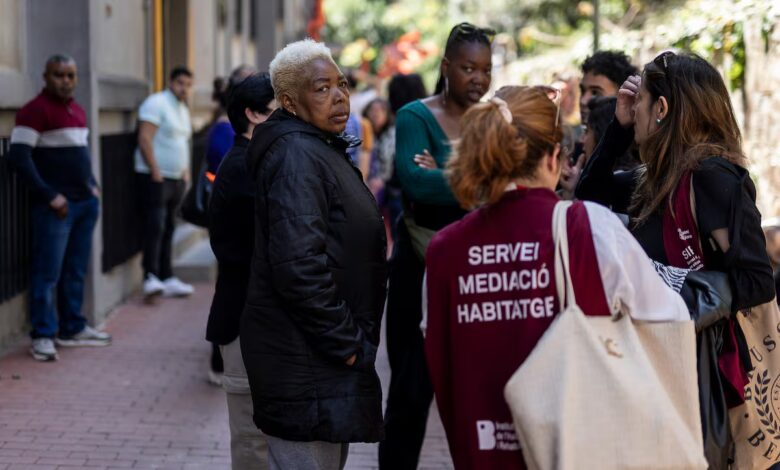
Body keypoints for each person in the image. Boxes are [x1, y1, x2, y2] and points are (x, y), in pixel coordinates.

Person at [424, 85, 691, 469]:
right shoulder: (589, 228)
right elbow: (669, 320)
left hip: (479, 452)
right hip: (578, 450)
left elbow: (441, 361)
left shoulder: (444, 251)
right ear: (553, 158)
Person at [575, 51, 775, 467]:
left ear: (662, 108)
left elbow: (757, 280)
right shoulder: (656, 179)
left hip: (709, 371)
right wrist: (619, 128)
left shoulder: (712, 179)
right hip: (667, 361)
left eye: (642, 101)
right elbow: (588, 197)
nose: (636, 109)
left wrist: (673, 287)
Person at [240, 39, 386, 470]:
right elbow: (298, 267)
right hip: (306, 362)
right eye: (321, 89)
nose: (339, 96)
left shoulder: (317, 146)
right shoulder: (297, 155)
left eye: (340, 84)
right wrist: (348, 345)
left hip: (319, 360)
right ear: (288, 101)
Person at [380, 22, 494, 470]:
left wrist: (445, 174)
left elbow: (511, 182)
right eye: (468, 68)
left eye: (486, 69)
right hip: (419, 272)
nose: (479, 79)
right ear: (446, 67)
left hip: (478, 274)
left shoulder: (492, 118)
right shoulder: (414, 116)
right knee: (410, 391)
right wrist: (480, 180)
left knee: (479, 395)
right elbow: (415, 184)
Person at [8, 54, 111, 362]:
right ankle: (42, 335)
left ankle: (72, 328)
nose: (65, 81)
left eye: (70, 75)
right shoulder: (34, 111)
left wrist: (92, 185)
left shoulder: (77, 110)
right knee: (47, 273)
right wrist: (50, 195)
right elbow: (18, 157)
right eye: (58, 75)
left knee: (75, 271)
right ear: (45, 76)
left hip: (84, 204)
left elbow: (80, 154)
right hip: (56, 208)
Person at [207, 73, 275, 470]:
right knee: (252, 439)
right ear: (252, 114)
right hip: (244, 320)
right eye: (278, 112)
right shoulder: (243, 166)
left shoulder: (254, 161)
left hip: (255, 318)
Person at [135, 66, 195, 299]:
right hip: (156, 177)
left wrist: (186, 171)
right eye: (181, 83)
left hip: (176, 178)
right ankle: (150, 276)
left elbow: (181, 141)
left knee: (170, 226)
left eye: (189, 84)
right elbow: (144, 138)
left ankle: (167, 275)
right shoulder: (156, 103)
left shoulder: (181, 107)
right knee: (155, 226)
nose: (185, 88)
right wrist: (155, 171)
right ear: (170, 81)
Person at [560, 50, 638, 199]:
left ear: (625, 96)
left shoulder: (639, 152)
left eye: (596, 92)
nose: (584, 101)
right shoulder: (577, 155)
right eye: (582, 91)